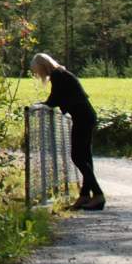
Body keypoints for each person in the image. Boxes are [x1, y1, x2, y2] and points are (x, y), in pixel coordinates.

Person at [32, 53, 103, 210]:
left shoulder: (58, 75)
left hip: (82, 116)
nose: (37, 74)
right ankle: (85, 195)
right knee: (84, 156)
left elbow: (54, 99)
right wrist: (47, 103)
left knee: (77, 156)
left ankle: (98, 194)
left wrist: (42, 104)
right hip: (85, 115)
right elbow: (57, 98)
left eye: (37, 71)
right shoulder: (60, 73)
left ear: (42, 66)